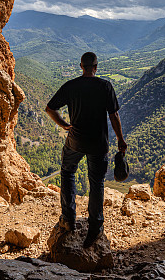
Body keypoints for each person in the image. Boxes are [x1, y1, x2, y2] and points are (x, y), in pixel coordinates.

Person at [45, 51, 127, 248]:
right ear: (96, 67)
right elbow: (114, 116)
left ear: (81, 66)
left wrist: (64, 125)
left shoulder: (71, 86)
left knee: (67, 172)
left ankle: (68, 218)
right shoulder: (105, 86)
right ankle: (95, 227)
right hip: (98, 143)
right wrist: (120, 140)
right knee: (96, 182)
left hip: (76, 141)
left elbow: (50, 109)